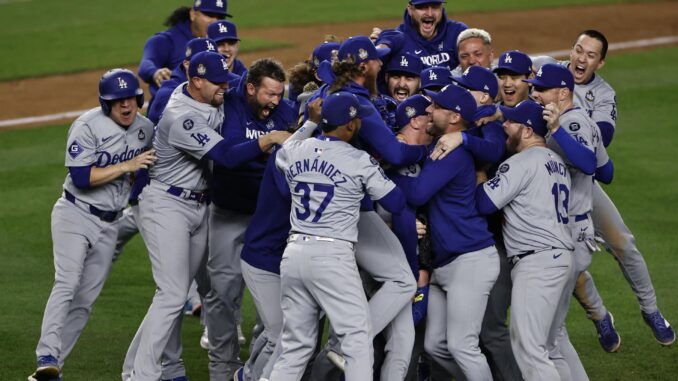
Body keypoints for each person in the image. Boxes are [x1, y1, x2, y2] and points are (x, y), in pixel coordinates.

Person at [270, 91, 413, 381]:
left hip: (294, 253)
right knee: (358, 342)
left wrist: (309, 124)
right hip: (331, 256)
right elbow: (396, 203)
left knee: (295, 346)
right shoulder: (358, 160)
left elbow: (285, 152)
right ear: (350, 125)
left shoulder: (294, 150)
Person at [29, 69, 155, 381]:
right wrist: (127, 166)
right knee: (67, 282)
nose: (126, 106)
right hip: (76, 214)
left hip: (111, 224)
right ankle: (46, 353)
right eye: (118, 101)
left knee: (85, 301)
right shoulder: (87, 126)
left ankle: (53, 366)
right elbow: (83, 178)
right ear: (106, 103)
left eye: (131, 99)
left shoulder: (145, 128)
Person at [125, 51, 237, 380]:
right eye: (218, 82)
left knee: (172, 293)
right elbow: (226, 156)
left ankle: (133, 367)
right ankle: (143, 375)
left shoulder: (201, 94)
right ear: (196, 81)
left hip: (198, 206)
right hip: (165, 204)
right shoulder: (180, 115)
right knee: (173, 293)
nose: (224, 88)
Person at [564, 29, 675, 349]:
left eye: (590, 55)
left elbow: (603, 137)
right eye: (578, 50)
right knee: (565, 262)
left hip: (583, 181)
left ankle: (651, 310)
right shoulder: (550, 72)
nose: (581, 59)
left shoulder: (603, 94)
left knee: (623, 243)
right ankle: (600, 317)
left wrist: (569, 126)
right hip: (545, 185)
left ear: (601, 62)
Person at [204, 58, 296, 380]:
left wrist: (252, 154)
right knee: (223, 293)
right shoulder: (230, 105)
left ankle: (255, 370)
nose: (274, 102)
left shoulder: (285, 111)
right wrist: (267, 142)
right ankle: (222, 368)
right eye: (269, 94)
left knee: (271, 298)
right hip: (228, 214)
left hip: (269, 219)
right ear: (251, 88)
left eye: (279, 95)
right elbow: (228, 155)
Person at [401, 84, 499, 380]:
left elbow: (417, 194)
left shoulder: (451, 154)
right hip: (446, 263)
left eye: (436, 106)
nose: (428, 110)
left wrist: (382, 176)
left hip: (470, 259)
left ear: (455, 116)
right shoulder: (443, 145)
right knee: (435, 345)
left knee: (462, 345)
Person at [475, 99, 575, 381]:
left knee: (530, 351)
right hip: (558, 258)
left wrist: (481, 172)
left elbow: (483, 203)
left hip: (539, 263)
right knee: (545, 348)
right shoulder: (556, 161)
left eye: (511, 122)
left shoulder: (522, 161)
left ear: (528, 131)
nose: (504, 125)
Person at [529, 63, 612, 380]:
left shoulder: (570, 123)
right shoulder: (581, 121)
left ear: (562, 92)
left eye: (541, 89)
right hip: (572, 235)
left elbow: (590, 164)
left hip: (570, 236)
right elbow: (608, 171)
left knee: (547, 341)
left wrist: (560, 133)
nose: (535, 93)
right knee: (554, 334)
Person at [138, 0, 230, 108]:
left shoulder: (222, 45)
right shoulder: (165, 41)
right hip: (171, 109)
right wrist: (155, 72)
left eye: (220, 17)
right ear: (193, 14)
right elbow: (145, 65)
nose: (215, 22)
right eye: (209, 15)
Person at [372, 0, 467, 70]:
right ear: (410, 10)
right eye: (422, 7)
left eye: (435, 7)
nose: (430, 13)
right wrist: (375, 48)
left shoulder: (458, 33)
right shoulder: (398, 39)